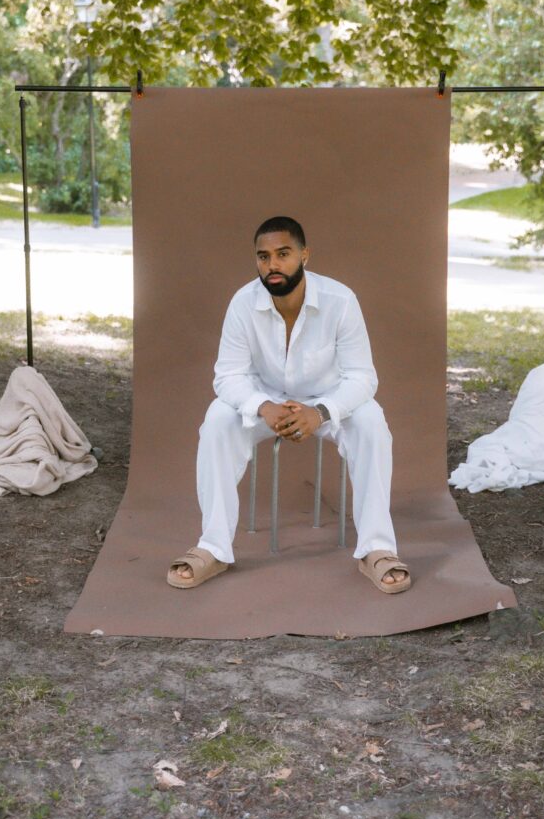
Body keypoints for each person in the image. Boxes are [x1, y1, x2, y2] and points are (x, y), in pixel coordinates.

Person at [167, 216, 410, 594]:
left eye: (283, 254)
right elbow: (227, 376)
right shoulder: (242, 303)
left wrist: (321, 412)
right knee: (216, 418)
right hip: (266, 402)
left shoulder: (340, 301)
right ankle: (213, 548)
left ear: (304, 255)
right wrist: (262, 406)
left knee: (372, 421)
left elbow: (363, 377)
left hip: (328, 402)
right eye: (263, 257)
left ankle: (377, 549)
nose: (273, 265)